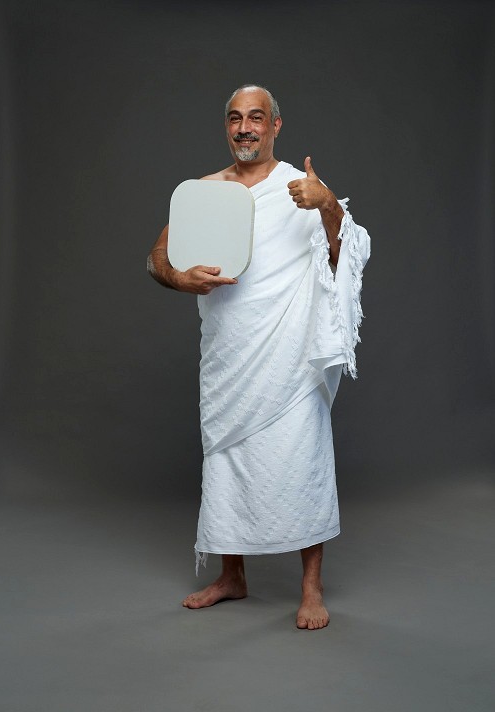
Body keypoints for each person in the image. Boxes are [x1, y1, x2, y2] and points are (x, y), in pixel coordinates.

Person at [147, 84, 370, 630]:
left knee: (303, 462)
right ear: (226, 127)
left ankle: (311, 588)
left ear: (275, 125)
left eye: (255, 118)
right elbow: (156, 258)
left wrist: (328, 207)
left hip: (290, 359)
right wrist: (178, 276)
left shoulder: (301, 188)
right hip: (229, 356)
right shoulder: (204, 192)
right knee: (227, 464)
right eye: (234, 118)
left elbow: (346, 257)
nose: (244, 128)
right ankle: (232, 576)